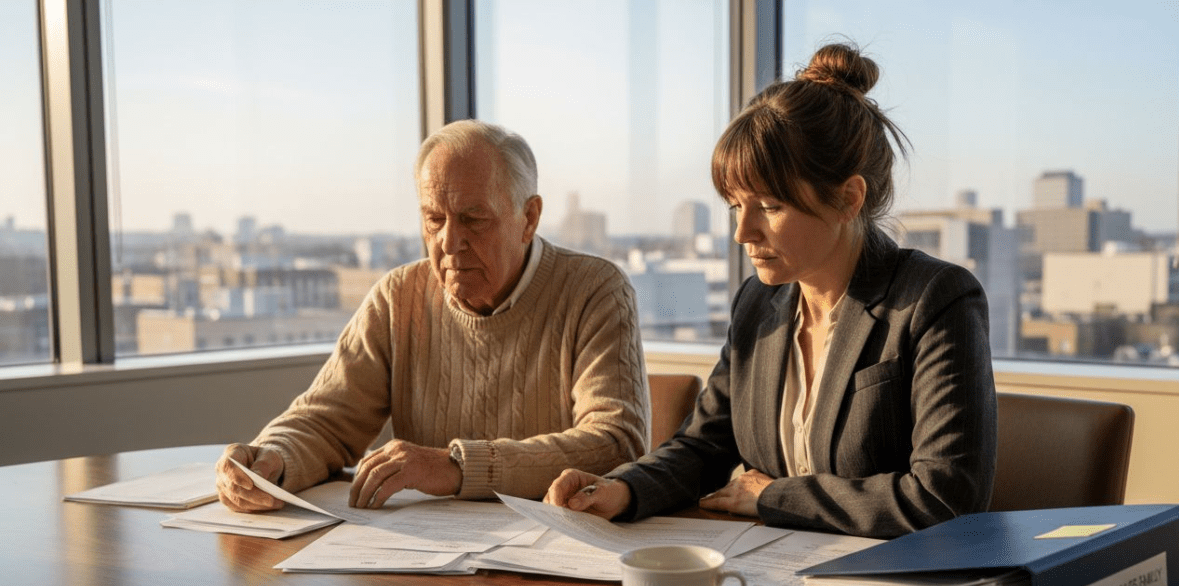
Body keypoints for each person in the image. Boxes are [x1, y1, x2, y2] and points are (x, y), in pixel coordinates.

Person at [545, 43, 996, 538]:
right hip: (768, 569)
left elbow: (945, 496)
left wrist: (772, 496)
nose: (743, 233)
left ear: (848, 198)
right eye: (736, 206)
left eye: (769, 206)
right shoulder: (758, 303)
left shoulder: (935, 299)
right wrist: (622, 489)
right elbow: (705, 446)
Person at [216, 119, 649, 512]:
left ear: (529, 218)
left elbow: (616, 444)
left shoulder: (596, 290)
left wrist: (456, 466)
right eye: (433, 219)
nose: (448, 241)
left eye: (472, 219)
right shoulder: (398, 296)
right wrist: (273, 458)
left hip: (551, 555)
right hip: (423, 555)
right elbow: (326, 421)